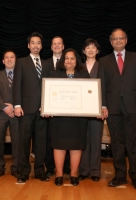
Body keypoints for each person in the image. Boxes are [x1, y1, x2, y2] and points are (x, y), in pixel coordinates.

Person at [98, 28, 136, 190]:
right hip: (112, 108)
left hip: (133, 106)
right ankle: (120, 176)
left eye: (121, 38)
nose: (118, 41)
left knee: (133, 143)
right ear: (111, 41)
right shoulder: (104, 61)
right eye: (115, 39)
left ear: (126, 40)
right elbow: (102, 86)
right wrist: (103, 106)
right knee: (117, 144)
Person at [13, 32, 50, 183]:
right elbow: (17, 85)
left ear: (41, 46)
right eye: (33, 43)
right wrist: (17, 105)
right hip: (25, 109)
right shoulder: (21, 62)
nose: (36, 45)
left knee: (41, 142)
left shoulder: (47, 64)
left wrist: (48, 105)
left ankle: (40, 171)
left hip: (42, 110)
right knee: (24, 142)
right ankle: (23, 172)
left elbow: (50, 87)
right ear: (29, 45)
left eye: (38, 43)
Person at [49, 48, 89, 186]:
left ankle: (73, 173)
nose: (69, 61)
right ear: (62, 60)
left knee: (76, 145)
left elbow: (89, 96)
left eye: (72, 58)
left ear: (76, 60)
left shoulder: (84, 75)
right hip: (59, 118)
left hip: (78, 118)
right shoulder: (55, 74)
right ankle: (59, 173)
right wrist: (46, 106)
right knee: (59, 144)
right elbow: (48, 94)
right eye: (66, 58)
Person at [0, 50, 19, 178]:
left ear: (15, 60)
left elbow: (24, 92)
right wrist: (4, 107)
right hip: (0, 113)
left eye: (12, 57)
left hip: (16, 113)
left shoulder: (20, 74)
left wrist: (14, 107)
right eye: (6, 57)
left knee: (17, 142)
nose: (9, 59)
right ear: (3, 61)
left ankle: (16, 167)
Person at [78, 38, 104, 182]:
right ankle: (83, 170)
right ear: (83, 51)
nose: (90, 49)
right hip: (81, 109)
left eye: (93, 47)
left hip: (97, 108)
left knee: (95, 138)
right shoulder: (79, 67)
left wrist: (103, 106)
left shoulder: (103, 66)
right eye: (88, 47)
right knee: (83, 139)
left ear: (97, 51)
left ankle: (95, 170)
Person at [45, 36, 70, 176]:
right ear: (50, 47)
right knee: (49, 138)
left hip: (66, 108)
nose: (56, 46)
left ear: (63, 46)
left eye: (59, 43)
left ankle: (66, 167)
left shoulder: (70, 63)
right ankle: (49, 167)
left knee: (65, 136)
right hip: (49, 108)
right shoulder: (45, 63)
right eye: (54, 44)